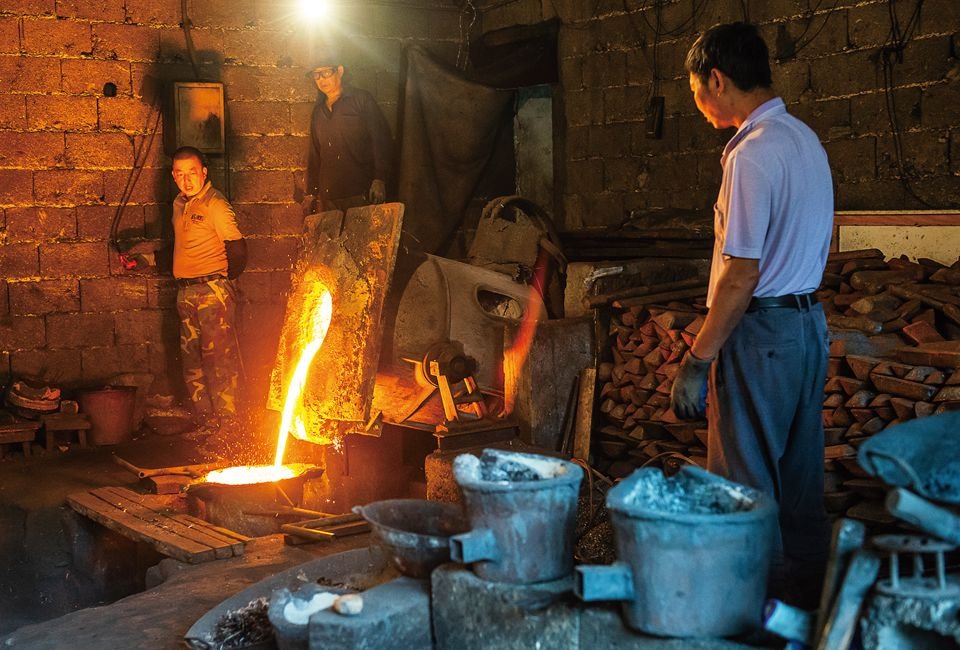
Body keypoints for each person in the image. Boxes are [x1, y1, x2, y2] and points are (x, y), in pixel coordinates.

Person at [669, 22, 834, 608]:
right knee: (799, 484)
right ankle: (811, 613)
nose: (697, 104)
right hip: (807, 327)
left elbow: (741, 274)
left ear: (717, 78)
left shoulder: (752, 155)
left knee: (745, 486)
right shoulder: (805, 141)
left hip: (760, 332)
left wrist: (697, 358)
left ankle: (752, 614)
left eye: (695, 90)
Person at [128, 146, 247, 429]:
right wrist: (144, 259)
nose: (186, 180)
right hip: (186, 294)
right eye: (180, 174)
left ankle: (229, 426)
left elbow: (238, 249)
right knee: (192, 362)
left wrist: (222, 283)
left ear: (203, 173)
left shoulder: (215, 204)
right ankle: (207, 422)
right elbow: (179, 248)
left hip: (211, 293)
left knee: (219, 361)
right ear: (173, 176)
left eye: (192, 173)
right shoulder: (179, 204)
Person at [305, 49, 394, 213]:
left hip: (361, 191)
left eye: (325, 72)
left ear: (339, 70)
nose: (321, 79)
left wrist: (380, 179)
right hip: (329, 196)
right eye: (316, 75)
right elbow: (314, 154)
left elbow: (381, 140)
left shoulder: (361, 100)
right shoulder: (318, 112)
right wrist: (311, 192)